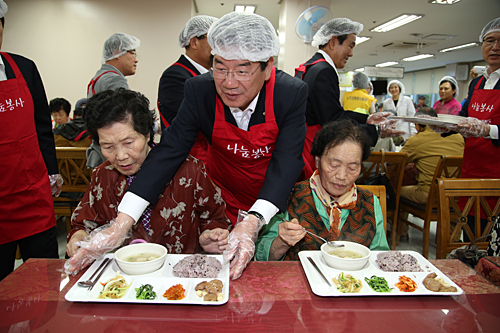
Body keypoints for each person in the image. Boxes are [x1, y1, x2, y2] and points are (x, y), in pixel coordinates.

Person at [66, 12, 308, 280]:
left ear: (268, 66)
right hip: (225, 192)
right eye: (219, 66)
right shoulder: (199, 90)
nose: (228, 82)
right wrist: (122, 223)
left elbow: (287, 161)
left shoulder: (290, 93)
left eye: (242, 70)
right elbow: (170, 151)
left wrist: (253, 220)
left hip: (270, 197)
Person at [65, 89, 231, 267]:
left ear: (147, 133)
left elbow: (215, 218)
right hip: (122, 280)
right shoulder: (103, 176)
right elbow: (84, 223)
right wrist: (78, 237)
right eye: (108, 146)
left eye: (128, 143)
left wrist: (211, 236)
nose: (120, 156)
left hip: (179, 277)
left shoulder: (189, 169)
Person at [255, 119, 389, 261]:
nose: (342, 176)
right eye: (334, 165)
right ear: (317, 161)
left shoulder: (369, 202)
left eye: (352, 168)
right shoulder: (289, 197)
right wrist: (282, 242)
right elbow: (262, 258)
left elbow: (380, 259)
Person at [0, 1, 62, 281]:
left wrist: (52, 171)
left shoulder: (23, 67)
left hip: (32, 193)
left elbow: (42, 127)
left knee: (44, 273)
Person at [294, 18, 402, 178]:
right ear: (332, 42)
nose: (351, 53)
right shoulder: (324, 71)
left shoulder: (311, 66)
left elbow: (332, 111)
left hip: (302, 143)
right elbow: (333, 121)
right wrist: (375, 130)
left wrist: (367, 119)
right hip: (311, 147)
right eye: (350, 46)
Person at [446, 18, 500, 243]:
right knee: (471, 238)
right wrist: (440, 124)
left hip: (497, 173)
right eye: (490, 40)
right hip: (472, 170)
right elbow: (463, 117)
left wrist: (489, 130)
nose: (495, 47)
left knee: (492, 243)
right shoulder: (476, 83)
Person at [397, 108, 464, 243]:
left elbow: (397, 163)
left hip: (428, 196)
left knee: (397, 190)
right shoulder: (458, 137)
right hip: (455, 195)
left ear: (417, 125)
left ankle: (401, 234)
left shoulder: (417, 140)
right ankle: (451, 239)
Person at [157, 15, 217, 164]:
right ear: (194, 42)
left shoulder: (212, 74)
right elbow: (203, 117)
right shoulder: (175, 76)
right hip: (186, 160)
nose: (219, 48)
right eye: (214, 41)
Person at [86, 32, 140, 168]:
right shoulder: (114, 79)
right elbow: (125, 119)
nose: (136, 59)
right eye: (132, 53)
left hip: (99, 151)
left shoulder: (99, 77)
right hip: (113, 156)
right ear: (117, 53)